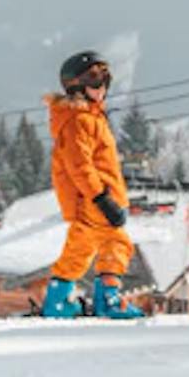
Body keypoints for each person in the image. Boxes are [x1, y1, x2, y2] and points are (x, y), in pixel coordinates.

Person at [39, 51, 141, 320]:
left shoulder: (91, 116)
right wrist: (102, 199)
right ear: (76, 86)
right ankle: (93, 300)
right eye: (94, 81)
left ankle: (72, 301)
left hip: (98, 198)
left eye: (105, 80)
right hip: (93, 199)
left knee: (97, 247)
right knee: (102, 245)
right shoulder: (78, 121)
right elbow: (79, 166)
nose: (102, 87)